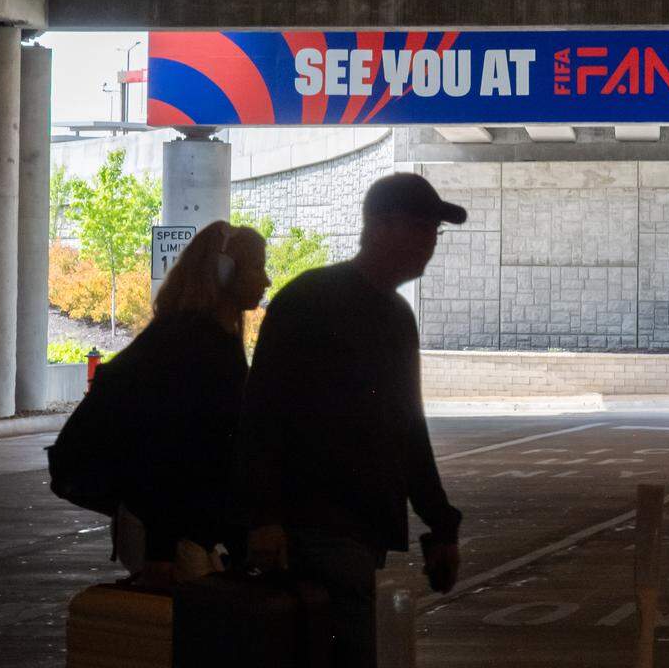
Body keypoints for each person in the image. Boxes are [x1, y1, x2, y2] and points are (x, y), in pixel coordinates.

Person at [238, 173, 465, 668]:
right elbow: (262, 415)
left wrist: (441, 526)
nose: (431, 244)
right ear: (383, 225)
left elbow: (408, 429)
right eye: (423, 228)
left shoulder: (397, 317)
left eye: (435, 232)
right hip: (313, 530)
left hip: (360, 534)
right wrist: (265, 519)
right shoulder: (309, 303)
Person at [110, 220, 270, 587]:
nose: (266, 281)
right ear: (225, 272)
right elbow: (168, 450)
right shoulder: (195, 344)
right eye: (258, 267)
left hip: (185, 530)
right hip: (170, 533)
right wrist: (161, 554)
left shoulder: (214, 339)